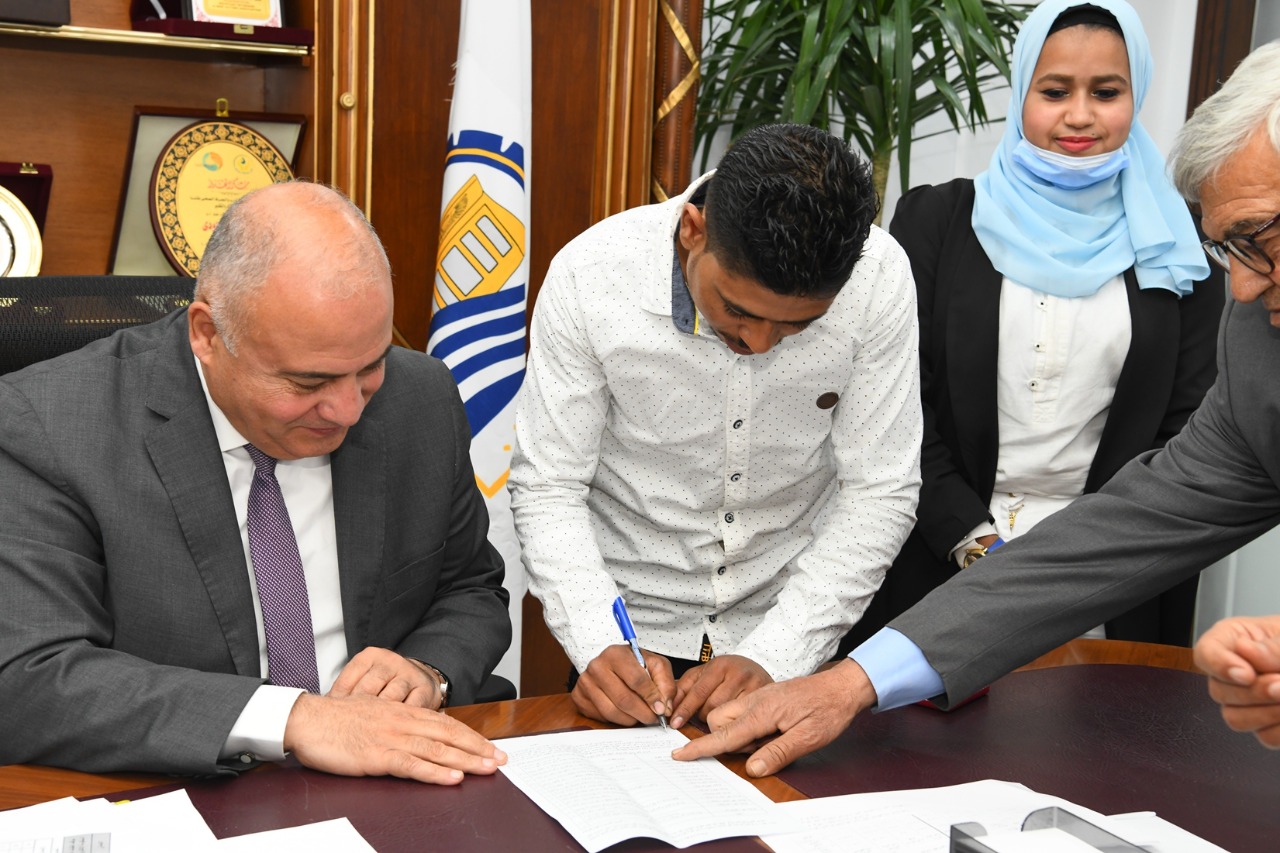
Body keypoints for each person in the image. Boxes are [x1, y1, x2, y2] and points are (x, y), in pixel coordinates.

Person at [671, 33, 1280, 774]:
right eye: (1229, 248)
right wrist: (851, 682)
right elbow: (1126, 528)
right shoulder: (1260, 349)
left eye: (1258, 238)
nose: (1242, 286)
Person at [0, 182, 512, 783]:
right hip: (181, 785)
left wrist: (428, 670)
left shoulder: (419, 397)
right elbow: (30, 677)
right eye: (307, 383)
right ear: (207, 334)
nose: (348, 410)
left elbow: (471, 589)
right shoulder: (49, 426)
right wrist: (292, 718)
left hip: (395, 777)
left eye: (370, 366)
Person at [840, 0, 1222, 658]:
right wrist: (975, 544)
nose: (1080, 115)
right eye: (1055, 91)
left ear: (1136, 97)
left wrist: (1077, 568)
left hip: (1114, 577)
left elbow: (1186, 437)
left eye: (1107, 92)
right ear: (1022, 93)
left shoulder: (1179, 245)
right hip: (939, 559)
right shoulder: (936, 222)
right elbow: (897, 409)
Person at [508, 124, 922, 729]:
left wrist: (778, 654)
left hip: (799, 632)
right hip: (632, 644)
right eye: (738, 310)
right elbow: (549, 484)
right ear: (692, 230)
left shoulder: (879, 279)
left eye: (798, 327)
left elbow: (879, 489)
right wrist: (596, 638)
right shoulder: (591, 275)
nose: (760, 344)